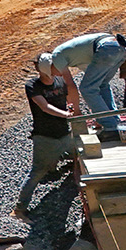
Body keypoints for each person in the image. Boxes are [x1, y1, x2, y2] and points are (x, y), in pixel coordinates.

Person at [12, 54, 82, 221]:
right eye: (54, 66)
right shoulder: (32, 86)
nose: (58, 69)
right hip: (45, 137)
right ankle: (19, 210)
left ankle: (56, 165)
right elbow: (45, 107)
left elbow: (68, 99)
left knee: (78, 153)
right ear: (45, 69)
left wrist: (72, 109)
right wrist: (66, 114)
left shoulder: (60, 81)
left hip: (64, 133)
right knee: (37, 172)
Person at [50, 31, 126, 143]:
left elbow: (70, 84)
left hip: (106, 48)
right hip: (119, 48)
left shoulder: (57, 56)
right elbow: (95, 82)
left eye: (52, 74)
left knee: (87, 89)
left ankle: (110, 126)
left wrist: (77, 111)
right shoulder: (76, 58)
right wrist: (99, 115)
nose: (55, 76)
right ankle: (114, 122)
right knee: (102, 85)